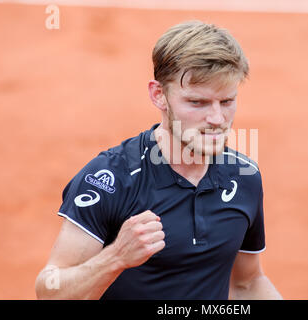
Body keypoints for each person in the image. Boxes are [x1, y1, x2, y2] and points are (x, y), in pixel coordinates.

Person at [35, 20, 282, 300]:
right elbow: (50, 291)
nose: (216, 119)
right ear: (158, 95)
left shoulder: (244, 176)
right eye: (197, 103)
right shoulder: (110, 179)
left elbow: (247, 283)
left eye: (226, 102)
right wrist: (115, 257)